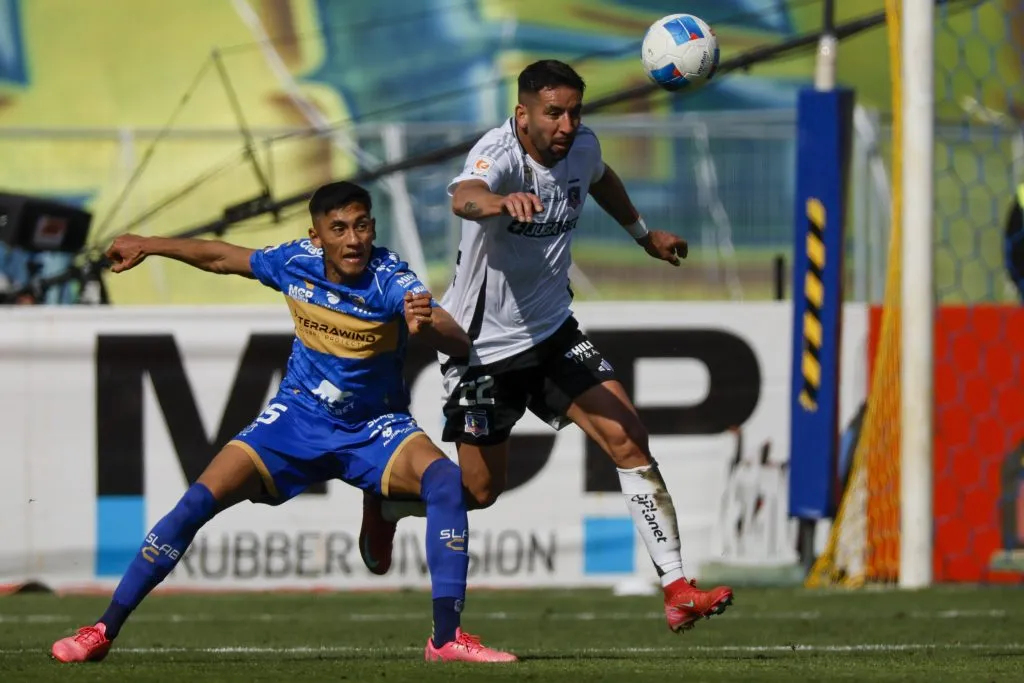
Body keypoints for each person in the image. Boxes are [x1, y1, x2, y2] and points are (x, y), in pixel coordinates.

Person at [51, 181, 516, 664]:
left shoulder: (391, 277)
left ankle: (444, 638)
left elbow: (456, 340)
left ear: (373, 227)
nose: (353, 239)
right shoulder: (294, 262)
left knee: (445, 482)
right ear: (316, 237)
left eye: (361, 225)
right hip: (295, 420)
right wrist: (149, 244)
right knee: (197, 501)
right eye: (338, 229)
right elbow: (219, 257)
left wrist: (426, 324)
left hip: (376, 427)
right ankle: (102, 629)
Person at [359, 60, 733, 633]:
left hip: (553, 332)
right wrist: (497, 203)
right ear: (523, 113)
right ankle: (387, 505)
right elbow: (464, 194)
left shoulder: (582, 146)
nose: (565, 125)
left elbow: (600, 176)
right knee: (480, 493)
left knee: (627, 435)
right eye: (553, 113)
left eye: (574, 112)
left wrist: (643, 235)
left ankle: (677, 588)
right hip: (480, 346)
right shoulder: (499, 152)